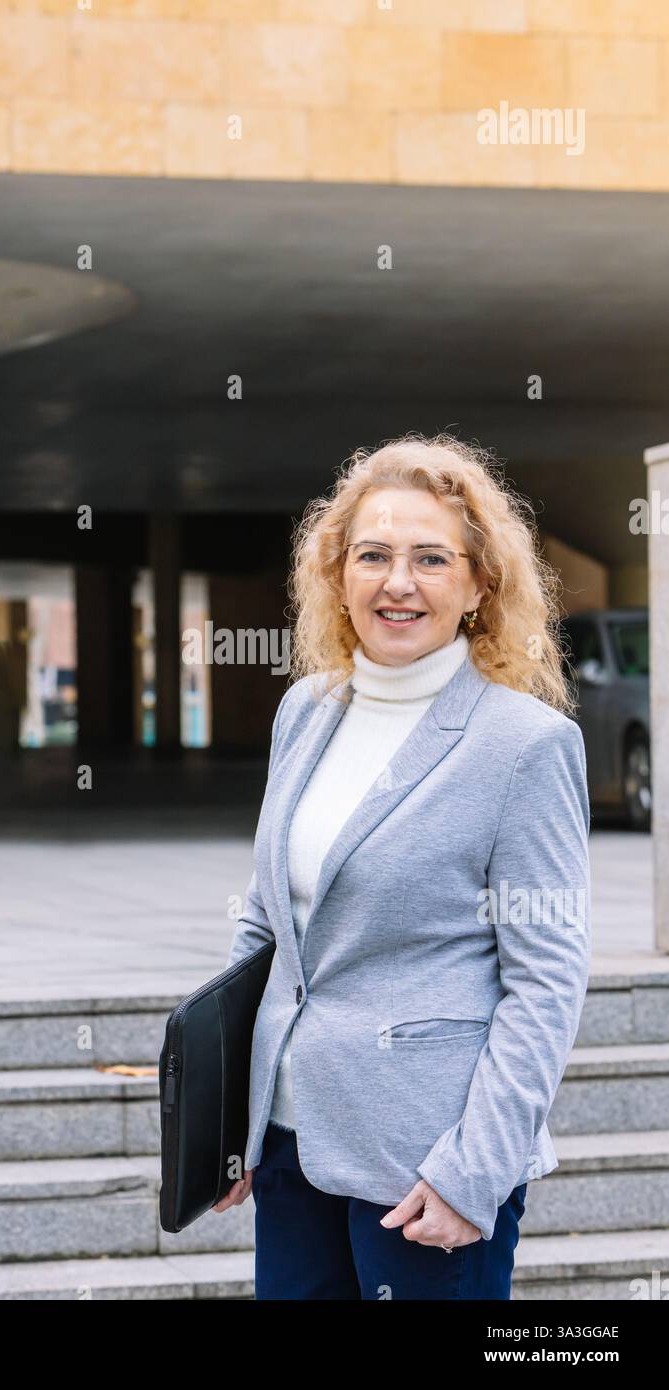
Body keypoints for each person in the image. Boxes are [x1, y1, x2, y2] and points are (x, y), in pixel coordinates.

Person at [214, 433, 591, 1301]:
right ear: (337, 574)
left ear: (479, 582)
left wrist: (476, 1173)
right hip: (290, 1142)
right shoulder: (305, 712)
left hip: (428, 1170)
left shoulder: (524, 747)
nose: (398, 582)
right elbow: (264, 926)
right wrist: (226, 1117)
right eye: (373, 555)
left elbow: (547, 980)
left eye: (430, 558)